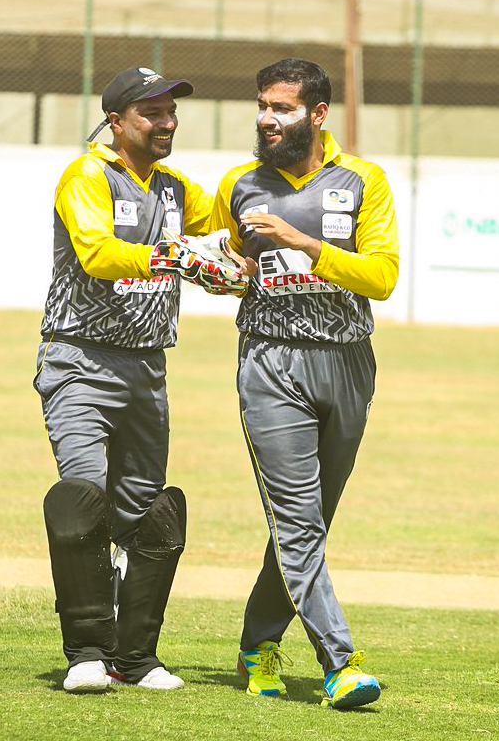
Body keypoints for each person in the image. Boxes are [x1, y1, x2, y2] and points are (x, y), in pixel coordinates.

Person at [34, 65, 248, 694]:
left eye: (171, 111)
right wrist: (179, 257)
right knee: (83, 498)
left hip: (148, 367)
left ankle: (135, 657)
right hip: (79, 360)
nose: (167, 122)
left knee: (148, 513)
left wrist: (229, 262)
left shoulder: (175, 187)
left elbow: (229, 218)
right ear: (117, 120)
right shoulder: (88, 175)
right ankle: (86, 654)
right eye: (152, 112)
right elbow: (98, 253)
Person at [210, 58, 400, 711]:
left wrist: (302, 242)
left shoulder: (363, 179)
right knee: (296, 520)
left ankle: (257, 644)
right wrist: (223, 271)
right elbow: (230, 263)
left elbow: (381, 278)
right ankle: (340, 663)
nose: (268, 118)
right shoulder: (238, 184)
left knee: (307, 524)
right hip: (270, 363)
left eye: (283, 108)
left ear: (317, 114)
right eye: (263, 105)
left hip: (347, 364)